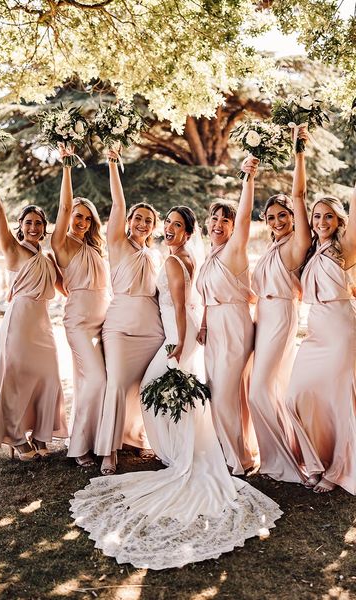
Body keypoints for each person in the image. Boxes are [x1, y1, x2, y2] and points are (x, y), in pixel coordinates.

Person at [70, 205, 282, 570]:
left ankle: (181, 449)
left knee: (161, 386)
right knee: (178, 391)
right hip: (176, 329)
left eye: (175, 225)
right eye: (166, 223)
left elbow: (182, 304)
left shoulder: (172, 261)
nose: (168, 228)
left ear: (187, 232)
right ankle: (179, 446)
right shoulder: (179, 256)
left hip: (175, 333)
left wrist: (180, 342)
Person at [0, 157, 67, 460]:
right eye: (27, 222)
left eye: (38, 223)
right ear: (20, 226)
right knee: (16, 378)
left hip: (42, 322)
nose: (32, 226)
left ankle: (42, 434)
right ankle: (16, 437)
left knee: (49, 375)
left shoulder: (48, 258)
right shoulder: (13, 249)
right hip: (19, 320)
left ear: (44, 229)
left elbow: (65, 289)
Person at [248, 127, 311, 483]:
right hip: (262, 317)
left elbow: (298, 194)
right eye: (270, 218)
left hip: (282, 316)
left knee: (260, 390)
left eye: (282, 216)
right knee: (269, 388)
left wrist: (297, 150)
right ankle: (275, 456)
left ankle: (285, 462)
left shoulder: (294, 243)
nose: (276, 222)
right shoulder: (271, 247)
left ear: (291, 216)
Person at [95, 150, 164, 475]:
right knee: (118, 384)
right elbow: (118, 204)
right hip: (120, 326)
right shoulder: (117, 244)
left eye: (148, 221)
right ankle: (108, 450)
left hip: (152, 329)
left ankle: (135, 437)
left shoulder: (154, 253)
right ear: (128, 221)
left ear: (153, 228)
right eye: (138, 218)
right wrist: (113, 164)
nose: (142, 223)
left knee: (142, 386)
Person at [286, 188, 356, 494]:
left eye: (329, 215)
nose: (322, 221)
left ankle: (337, 469)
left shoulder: (347, 247)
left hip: (341, 331)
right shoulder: (311, 250)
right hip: (315, 332)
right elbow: (297, 197)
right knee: (295, 396)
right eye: (318, 216)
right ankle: (315, 462)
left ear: (340, 220)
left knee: (340, 404)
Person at [196, 157, 259, 474]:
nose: (218, 224)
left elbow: (246, 215)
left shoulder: (235, 250)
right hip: (214, 331)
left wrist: (248, 178)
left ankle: (240, 460)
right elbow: (207, 296)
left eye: (225, 220)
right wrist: (204, 324)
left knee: (224, 395)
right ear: (206, 222)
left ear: (233, 228)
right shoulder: (209, 256)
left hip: (235, 326)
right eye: (214, 218)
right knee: (219, 393)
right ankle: (229, 449)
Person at [51, 146, 110, 467]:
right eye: (78, 216)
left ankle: (101, 440)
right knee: (97, 381)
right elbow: (62, 206)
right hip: (78, 323)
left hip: (104, 323)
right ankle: (79, 447)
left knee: (96, 382)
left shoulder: (94, 247)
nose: (83, 222)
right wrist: (67, 167)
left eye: (88, 218)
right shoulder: (61, 243)